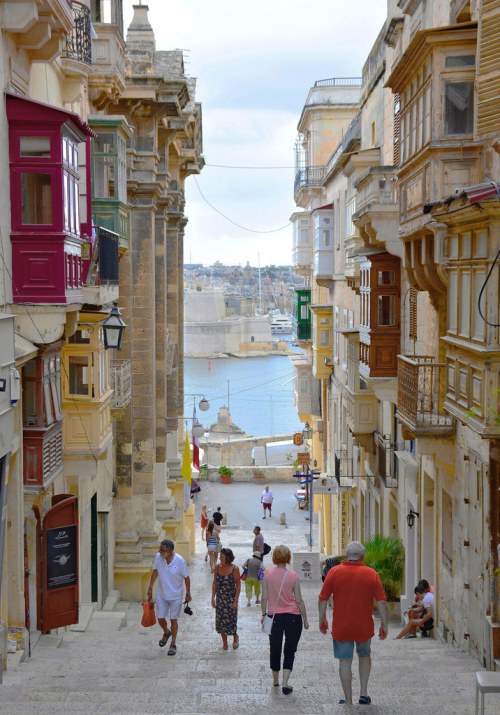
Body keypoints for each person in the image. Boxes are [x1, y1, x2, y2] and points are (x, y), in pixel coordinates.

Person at [318, 540, 388, 706]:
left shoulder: (334, 572)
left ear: (347, 555)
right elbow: (382, 602)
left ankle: (348, 700)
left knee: (344, 661)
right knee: (364, 655)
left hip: (342, 626)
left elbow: (322, 599)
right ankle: (363, 693)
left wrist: (322, 618)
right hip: (364, 626)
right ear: (362, 557)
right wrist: (384, 624)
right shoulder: (371, 574)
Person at [261, 544, 309, 695]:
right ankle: (285, 683)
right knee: (289, 650)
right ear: (288, 558)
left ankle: (275, 680)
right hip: (293, 617)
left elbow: (264, 598)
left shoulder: (267, 574)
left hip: (274, 617)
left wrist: (263, 614)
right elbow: (299, 600)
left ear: (274, 558)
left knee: (274, 648)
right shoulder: (293, 576)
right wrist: (305, 619)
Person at [147, 539, 191, 656]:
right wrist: (150, 587)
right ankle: (166, 632)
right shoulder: (158, 557)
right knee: (160, 618)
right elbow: (155, 572)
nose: (160, 552)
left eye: (162, 550)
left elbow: (186, 578)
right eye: (160, 549)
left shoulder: (180, 561)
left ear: (170, 551)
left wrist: (188, 594)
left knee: (173, 619)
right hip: (162, 594)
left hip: (175, 596)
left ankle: (173, 643)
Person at [211, 547, 241, 650]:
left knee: (231, 621)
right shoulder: (217, 567)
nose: (220, 558)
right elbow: (214, 582)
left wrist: (236, 601)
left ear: (228, 557)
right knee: (220, 622)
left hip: (230, 600)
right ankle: (225, 643)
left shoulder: (235, 569)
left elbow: (238, 586)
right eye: (220, 556)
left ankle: (235, 636)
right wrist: (212, 598)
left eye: (222, 556)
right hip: (220, 600)